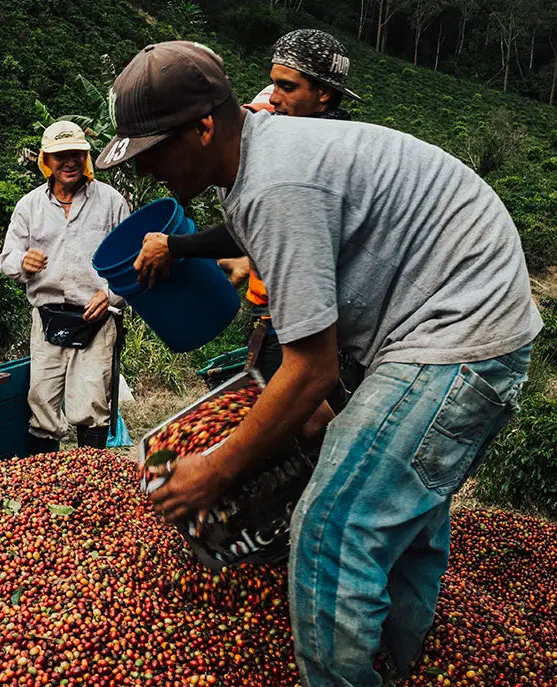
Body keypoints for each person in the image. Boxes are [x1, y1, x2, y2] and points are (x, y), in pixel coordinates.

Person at [96, 41, 542, 687]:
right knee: (404, 515)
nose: (147, 172)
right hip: (451, 322)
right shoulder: (265, 156)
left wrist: (217, 467)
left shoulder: (276, 182)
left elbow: (305, 367)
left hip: (456, 336)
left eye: (152, 152)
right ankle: (398, 663)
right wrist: (329, 396)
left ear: (202, 127)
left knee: (334, 527)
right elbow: (323, 338)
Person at [223, 29, 363, 384]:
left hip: (306, 321)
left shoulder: (320, 159)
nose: (274, 99)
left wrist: (179, 246)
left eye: (287, 87)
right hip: (282, 313)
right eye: (274, 86)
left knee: (299, 423)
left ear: (324, 94)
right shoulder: (298, 140)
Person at [0, 121, 129, 453]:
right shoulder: (30, 206)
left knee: (90, 407)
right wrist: (22, 262)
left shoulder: (111, 202)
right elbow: (7, 259)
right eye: (60, 156)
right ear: (46, 160)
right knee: (42, 403)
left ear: (86, 157)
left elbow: (132, 260)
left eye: (75, 154)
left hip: (95, 318)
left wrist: (110, 294)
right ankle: (46, 485)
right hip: (47, 319)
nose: (68, 162)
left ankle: (90, 480)